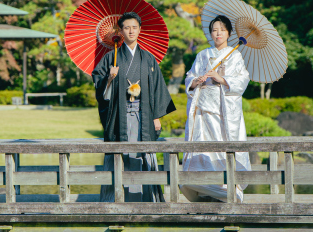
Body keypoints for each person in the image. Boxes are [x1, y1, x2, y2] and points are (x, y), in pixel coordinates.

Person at [92, 11, 176, 202]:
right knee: (121, 153)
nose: (131, 31)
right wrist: (109, 78)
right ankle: (117, 199)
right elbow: (99, 86)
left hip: (144, 115)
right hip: (120, 116)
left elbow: (157, 88)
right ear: (121, 31)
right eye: (126, 28)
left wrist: (156, 117)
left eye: (134, 27)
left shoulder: (148, 58)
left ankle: (146, 198)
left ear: (139, 30)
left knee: (143, 153)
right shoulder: (111, 58)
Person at [181, 14, 251, 202]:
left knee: (221, 147)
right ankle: (202, 186)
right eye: (214, 30)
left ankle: (226, 188)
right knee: (202, 146)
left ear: (229, 33)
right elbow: (189, 77)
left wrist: (221, 79)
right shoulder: (202, 55)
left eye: (222, 30)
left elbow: (243, 80)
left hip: (222, 112)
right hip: (202, 112)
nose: (218, 33)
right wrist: (196, 81)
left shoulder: (235, 55)